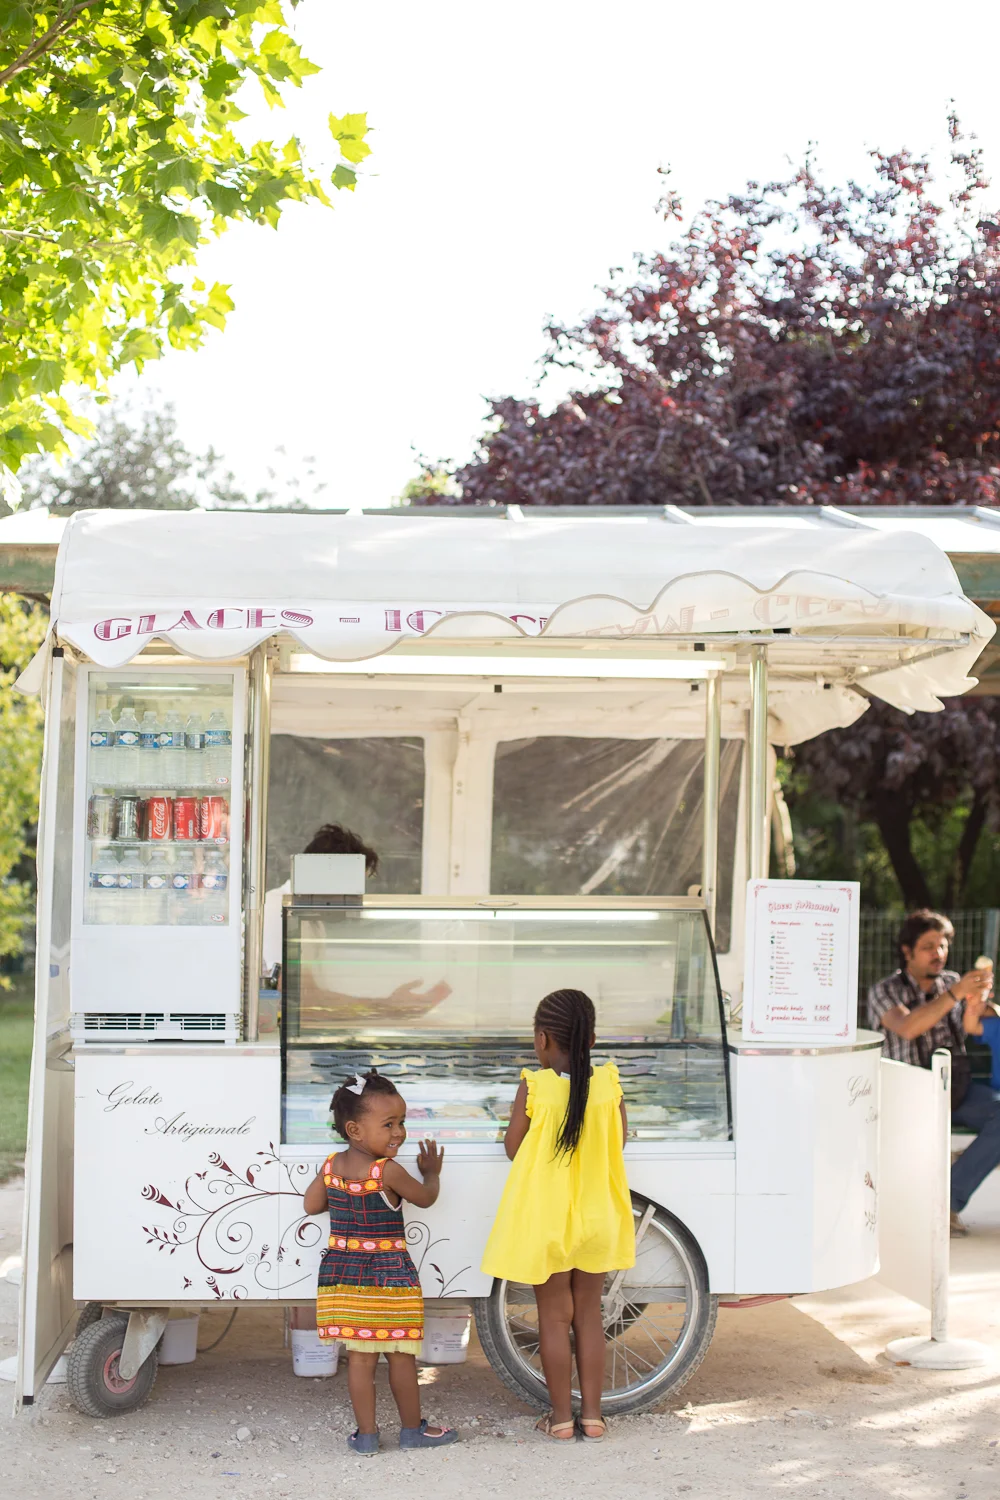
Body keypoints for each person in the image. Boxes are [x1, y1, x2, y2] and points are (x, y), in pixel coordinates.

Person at [481, 989, 636, 1442]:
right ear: (592, 1040)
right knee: (589, 1314)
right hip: (597, 1217)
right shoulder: (609, 1084)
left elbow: (514, 1148)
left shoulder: (534, 1086)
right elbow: (619, 1141)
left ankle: (561, 1419)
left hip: (548, 1219)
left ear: (543, 1039)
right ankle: (594, 1417)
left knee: (553, 1316)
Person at [301, 1069, 459, 1456]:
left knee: (359, 1359)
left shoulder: (331, 1166)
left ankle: (367, 1436)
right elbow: (425, 1198)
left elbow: (311, 1205)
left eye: (401, 1122)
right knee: (400, 1355)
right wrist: (432, 1174)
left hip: (343, 1276)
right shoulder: (387, 1171)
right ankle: (411, 1431)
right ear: (354, 1130)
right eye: (389, 1124)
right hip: (389, 1277)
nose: (399, 1133)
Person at [867, 910, 1000, 1237]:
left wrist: (981, 1001)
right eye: (928, 947)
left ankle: (947, 1201)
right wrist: (955, 994)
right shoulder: (884, 991)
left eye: (942, 946)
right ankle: (953, 1172)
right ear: (907, 951)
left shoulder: (952, 982)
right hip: (908, 1095)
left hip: (956, 1090)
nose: (938, 953)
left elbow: (981, 1021)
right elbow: (908, 1027)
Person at [263, 822, 451, 1022]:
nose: (356, 896)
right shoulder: (277, 909)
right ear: (324, 875)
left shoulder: (311, 920)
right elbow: (302, 999)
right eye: (352, 885)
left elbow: (312, 1000)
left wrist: (383, 1008)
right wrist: (385, 1007)